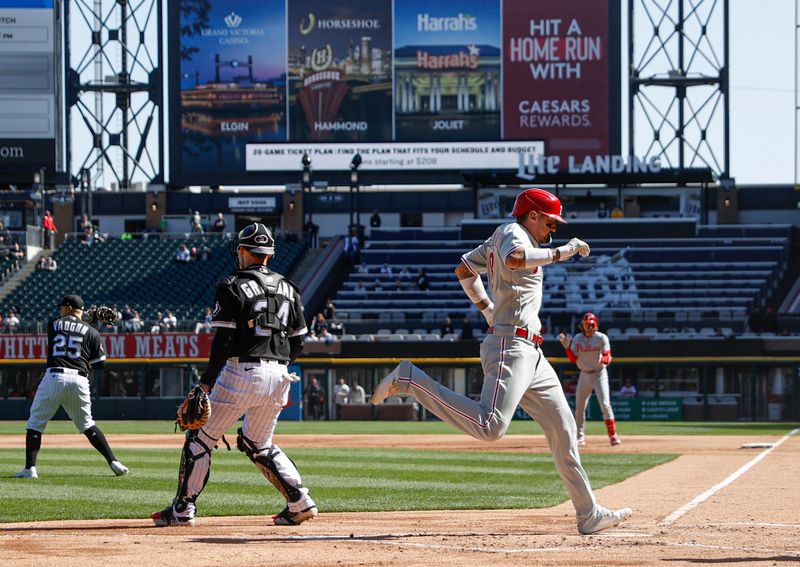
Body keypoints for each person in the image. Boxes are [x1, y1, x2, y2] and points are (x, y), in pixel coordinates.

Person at [371, 188, 631, 535]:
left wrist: (488, 309)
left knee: (564, 427)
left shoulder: (506, 235)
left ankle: (588, 513)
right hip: (511, 345)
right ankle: (411, 380)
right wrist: (564, 252)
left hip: (531, 352)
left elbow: (464, 270)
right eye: (551, 222)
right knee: (490, 426)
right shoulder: (513, 232)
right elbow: (515, 259)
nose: (553, 228)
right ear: (533, 215)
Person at [151, 223, 317, 527]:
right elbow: (300, 340)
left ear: (242, 251)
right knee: (258, 443)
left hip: (242, 371)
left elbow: (223, 341)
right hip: (281, 374)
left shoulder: (231, 284)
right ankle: (299, 500)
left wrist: (206, 383)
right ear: (269, 254)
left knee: (200, 438)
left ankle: (183, 509)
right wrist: (279, 364)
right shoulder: (289, 288)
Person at [15, 295, 128, 479]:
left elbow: (67, 326)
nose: (60, 310)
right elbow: (100, 364)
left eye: (62, 307)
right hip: (79, 379)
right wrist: (91, 323)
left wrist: (85, 318)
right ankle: (114, 462)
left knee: (35, 423)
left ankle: (30, 469)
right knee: (87, 424)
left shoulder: (54, 324)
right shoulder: (92, 331)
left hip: (54, 376)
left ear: (68, 307)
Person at [559, 313, 621, 446]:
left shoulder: (601, 337)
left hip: (599, 374)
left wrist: (603, 360)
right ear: (583, 325)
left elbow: (608, 356)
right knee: (580, 407)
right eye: (588, 324)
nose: (590, 327)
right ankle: (580, 437)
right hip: (584, 375)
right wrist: (567, 348)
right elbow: (572, 359)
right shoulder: (577, 338)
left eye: (592, 324)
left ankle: (613, 436)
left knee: (605, 404)